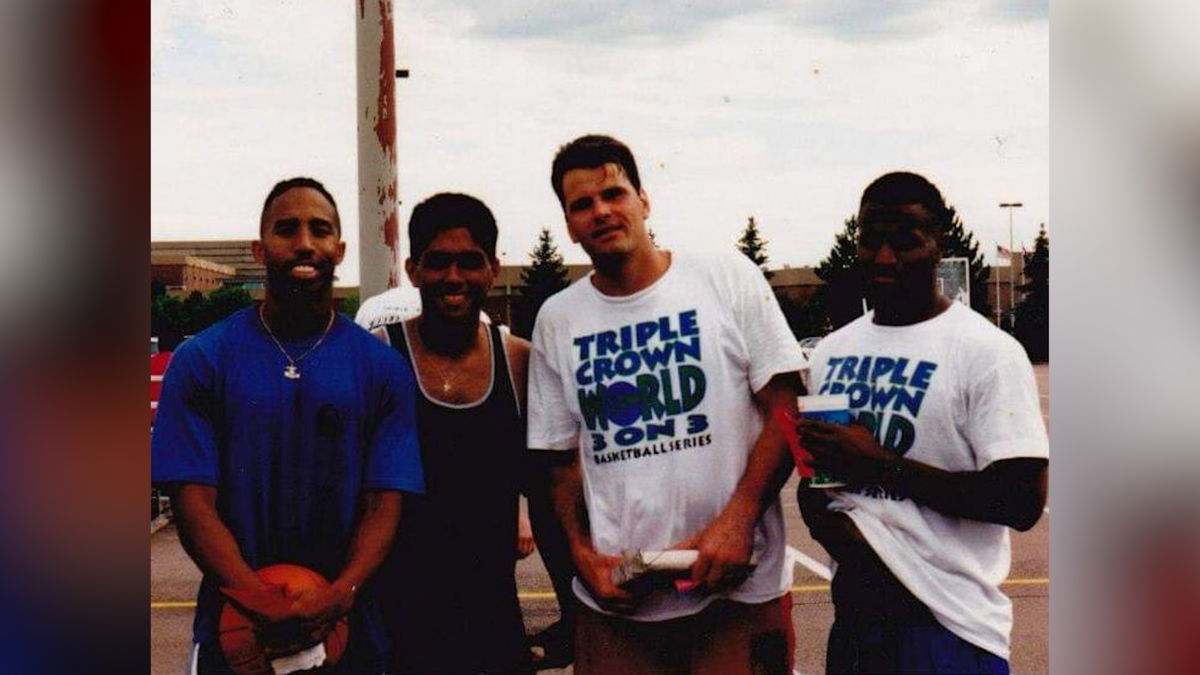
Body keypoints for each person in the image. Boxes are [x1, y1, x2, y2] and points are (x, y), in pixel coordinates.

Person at [526, 134, 808, 674]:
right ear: (568, 224)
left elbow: (787, 405)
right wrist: (583, 558)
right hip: (621, 606)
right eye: (582, 204)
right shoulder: (558, 319)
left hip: (737, 591)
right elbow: (558, 462)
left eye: (614, 193)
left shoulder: (724, 276)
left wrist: (739, 518)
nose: (601, 212)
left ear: (643, 199)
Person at [151, 177, 425, 674]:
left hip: (349, 629)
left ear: (339, 249)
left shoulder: (380, 368)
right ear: (260, 248)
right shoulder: (203, 359)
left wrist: (342, 592)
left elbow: (386, 501)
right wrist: (255, 597)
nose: (304, 243)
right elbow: (193, 503)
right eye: (286, 229)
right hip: (234, 628)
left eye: (319, 230)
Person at [796, 171, 1049, 674]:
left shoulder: (986, 352)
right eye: (871, 242)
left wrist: (881, 465)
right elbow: (819, 479)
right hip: (857, 628)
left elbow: (1020, 501)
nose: (885, 259)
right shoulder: (831, 352)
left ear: (939, 244)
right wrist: (834, 528)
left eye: (906, 243)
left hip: (949, 629)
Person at [370, 193, 533, 675]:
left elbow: (550, 487)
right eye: (438, 263)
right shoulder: (379, 356)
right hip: (396, 624)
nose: (454, 278)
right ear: (413, 269)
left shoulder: (519, 361)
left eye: (470, 262)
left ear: (493, 269)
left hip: (493, 622)